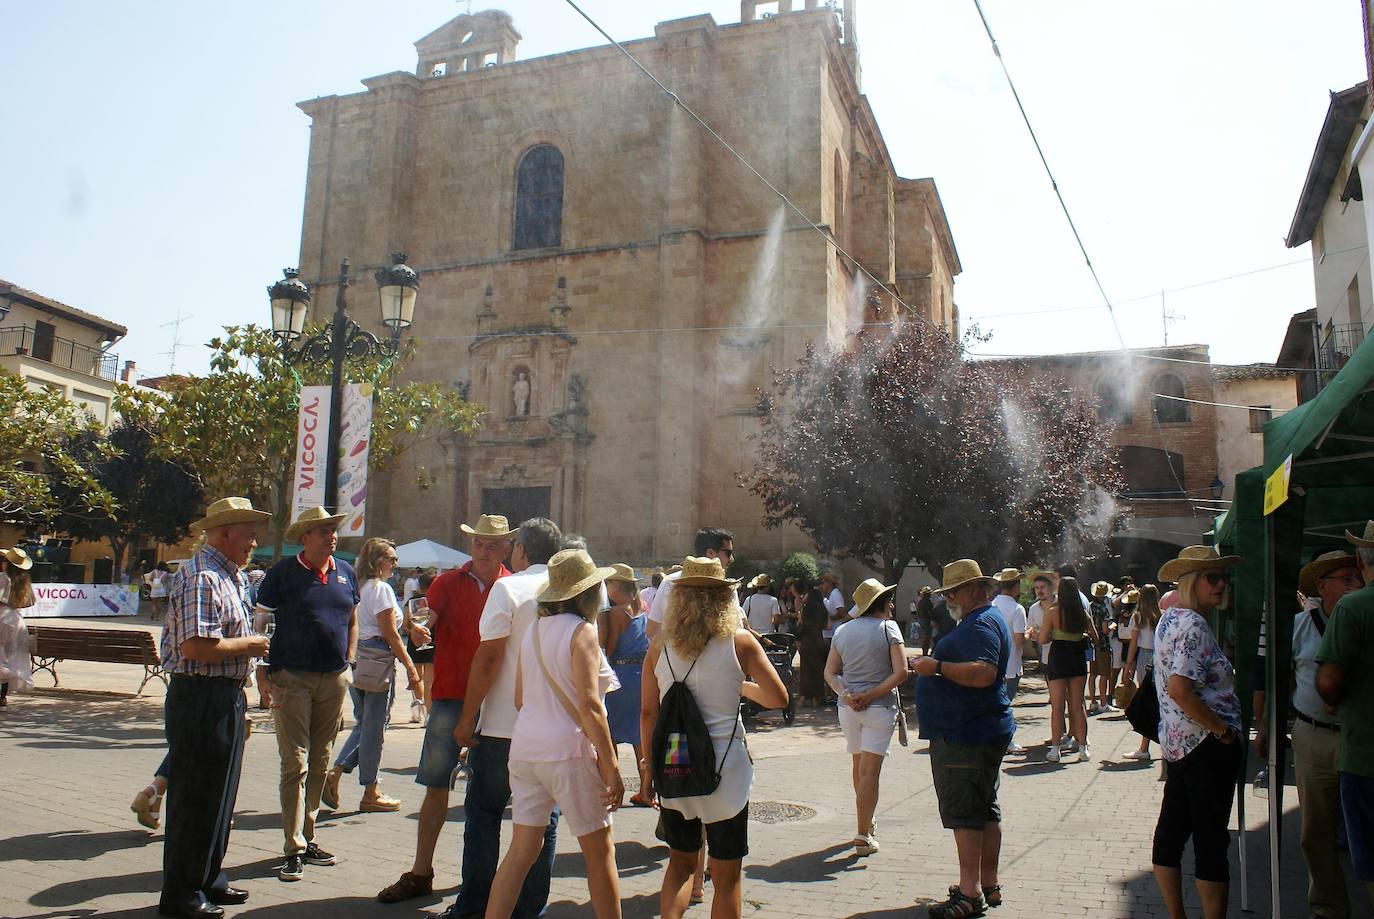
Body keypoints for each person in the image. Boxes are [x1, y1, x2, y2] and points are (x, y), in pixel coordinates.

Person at [640, 555, 788, 919]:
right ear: (725, 598)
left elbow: (648, 714)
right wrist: (742, 688)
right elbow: (778, 698)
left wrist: (648, 769)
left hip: (675, 765)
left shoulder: (658, 647)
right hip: (727, 772)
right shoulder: (740, 643)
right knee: (727, 876)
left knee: (679, 865)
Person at [377, 514, 512, 905]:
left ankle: (486, 883)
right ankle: (422, 871)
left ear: (505, 548)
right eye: (478, 544)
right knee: (436, 787)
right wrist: (416, 629)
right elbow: (423, 621)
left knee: (494, 797)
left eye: (492, 545)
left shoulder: (514, 587)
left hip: (498, 703)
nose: (483, 551)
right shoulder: (448, 582)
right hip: (453, 698)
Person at [485, 549, 624, 919]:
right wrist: (611, 765)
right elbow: (591, 707)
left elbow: (518, 698)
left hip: (526, 748)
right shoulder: (583, 631)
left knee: (519, 853)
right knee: (599, 852)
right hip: (568, 750)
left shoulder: (532, 630)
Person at [157, 497, 272, 918]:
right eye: (248, 533)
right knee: (195, 798)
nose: (254, 542)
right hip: (200, 695)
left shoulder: (229, 577)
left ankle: (207, 877)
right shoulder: (203, 577)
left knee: (220, 795)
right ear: (225, 533)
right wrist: (253, 645)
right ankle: (181, 896)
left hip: (223, 694)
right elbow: (196, 647)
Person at [447, 517, 564, 919]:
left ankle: (475, 906)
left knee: (484, 816)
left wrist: (467, 717)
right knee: (542, 824)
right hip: (554, 729)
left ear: (521, 551)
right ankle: (530, 909)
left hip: (502, 726)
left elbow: (490, 655)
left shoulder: (508, 587)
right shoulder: (580, 591)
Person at [1253, 550, 1362, 918]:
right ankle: (1330, 905)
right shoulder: (1300, 625)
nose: (1356, 584)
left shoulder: (1364, 618)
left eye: (1357, 577)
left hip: (1359, 736)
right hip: (1313, 736)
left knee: (1365, 825)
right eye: (1346, 578)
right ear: (1322, 585)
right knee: (1316, 830)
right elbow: (1279, 680)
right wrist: (1266, 725)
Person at [253, 506, 358, 882]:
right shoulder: (282, 573)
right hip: (291, 677)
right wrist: (261, 673)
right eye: (323, 531)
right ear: (305, 537)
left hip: (333, 679)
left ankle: (308, 835)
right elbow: (261, 622)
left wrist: (349, 660)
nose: (332, 536)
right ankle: (293, 846)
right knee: (294, 762)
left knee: (320, 760)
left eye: (333, 529)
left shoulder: (346, 573)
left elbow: (353, 618)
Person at [911, 560, 1014, 917]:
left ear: (974, 590)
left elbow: (984, 673)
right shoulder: (983, 619)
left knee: (966, 813)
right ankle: (987, 883)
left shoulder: (981, 622)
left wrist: (935, 667)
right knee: (984, 808)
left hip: (966, 733)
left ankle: (970, 893)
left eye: (953, 591)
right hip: (976, 728)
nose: (949, 598)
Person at [1151, 546, 1243, 919]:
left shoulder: (1170, 619)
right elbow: (1180, 689)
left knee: (1171, 835)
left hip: (1179, 746)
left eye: (1224, 577)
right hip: (1204, 747)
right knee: (1210, 840)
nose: (1222, 585)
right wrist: (1222, 731)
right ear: (1192, 581)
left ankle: (1177, 914)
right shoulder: (1194, 626)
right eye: (1213, 577)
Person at [322, 538, 423, 813]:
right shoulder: (381, 590)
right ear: (379, 561)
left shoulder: (356, 586)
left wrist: (410, 628)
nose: (395, 564)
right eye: (391, 558)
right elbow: (389, 634)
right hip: (377, 658)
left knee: (365, 723)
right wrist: (411, 668)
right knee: (375, 728)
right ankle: (370, 789)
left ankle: (338, 772)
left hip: (357, 657)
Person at [824, 578, 908, 856]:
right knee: (870, 772)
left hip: (848, 709)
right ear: (880, 603)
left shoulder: (843, 630)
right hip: (879, 708)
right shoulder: (889, 628)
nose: (892, 604)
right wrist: (870, 695)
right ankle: (862, 833)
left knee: (858, 766)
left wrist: (847, 694)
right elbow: (901, 672)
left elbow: (830, 672)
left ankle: (866, 821)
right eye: (889, 600)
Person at [1317, 522, 1374, 912]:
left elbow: (1329, 680)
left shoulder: (1354, 607)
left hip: (1366, 756)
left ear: (1362, 558)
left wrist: (1334, 699)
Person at [600, 563, 653, 807]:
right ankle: (645, 789)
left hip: (619, 674)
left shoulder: (615, 613)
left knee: (609, 731)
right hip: (641, 673)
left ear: (617, 586)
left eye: (609, 583)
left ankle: (614, 786)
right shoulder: (642, 606)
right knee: (640, 734)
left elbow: (608, 648)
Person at [645, 526, 736, 642]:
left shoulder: (669, 582)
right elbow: (735, 633)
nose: (731, 559)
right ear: (711, 553)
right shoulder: (725, 587)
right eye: (728, 553)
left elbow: (652, 631)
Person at [1041, 576, 1096, 762]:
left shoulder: (1052, 612)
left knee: (1057, 707)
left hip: (1058, 657)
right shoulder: (1083, 614)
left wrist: (1054, 634)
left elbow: (1042, 640)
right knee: (1078, 706)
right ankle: (1083, 749)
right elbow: (1095, 637)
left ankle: (1055, 750)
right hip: (1077, 658)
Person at [1121, 585, 1163, 761]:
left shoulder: (1137, 617)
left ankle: (1144, 747)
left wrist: (1128, 665)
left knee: (1146, 700)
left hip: (1144, 656)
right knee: (1161, 700)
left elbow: (1133, 644)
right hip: (1160, 656)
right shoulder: (1162, 615)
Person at [989, 569, 1027, 754]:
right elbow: (1019, 640)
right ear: (1016, 586)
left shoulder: (992, 605)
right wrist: (1029, 634)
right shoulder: (1017, 609)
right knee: (1005, 705)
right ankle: (1007, 740)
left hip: (993, 662)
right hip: (1011, 664)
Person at [0, 547, 36, 706]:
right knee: (9, 658)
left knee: (1, 658)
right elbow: (31, 602)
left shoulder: (3, 578)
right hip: (16, 619)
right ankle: (3, 695)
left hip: (2, 617)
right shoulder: (24, 580)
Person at [403, 570, 438, 723]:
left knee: (416, 676)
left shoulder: (413, 601)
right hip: (432, 639)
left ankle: (418, 711)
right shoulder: (435, 601)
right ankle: (429, 714)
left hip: (415, 640)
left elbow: (405, 624)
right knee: (430, 680)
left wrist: (412, 631)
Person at [798, 579, 830, 706]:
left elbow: (799, 624)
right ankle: (816, 698)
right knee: (818, 670)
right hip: (818, 640)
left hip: (807, 640)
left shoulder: (805, 609)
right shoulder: (823, 609)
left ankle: (803, 697)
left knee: (805, 670)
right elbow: (828, 626)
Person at [1087, 581, 1115, 714]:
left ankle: (1093, 702)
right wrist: (1112, 626)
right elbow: (1105, 630)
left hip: (1092, 644)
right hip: (1103, 644)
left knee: (1092, 674)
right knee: (1104, 674)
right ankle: (1104, 703)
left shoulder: (1090, 606)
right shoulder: (1104, 608)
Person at [820, 573, 846, 643]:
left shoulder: (835, 594)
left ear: (829, 583)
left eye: (823, 582)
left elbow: (842, 614)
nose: (822, 585)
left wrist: (827, 619)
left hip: (834, 634)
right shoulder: (831, 595)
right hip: (830, 634)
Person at [914, 587, 936, 655]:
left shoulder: (921, 601)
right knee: (927, 637)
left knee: (925, 637)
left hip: (921, 620)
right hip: (926, 620)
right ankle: (925, 653)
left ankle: (925, 652)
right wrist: (933, 619)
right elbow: (930, 612)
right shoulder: (927, 601)